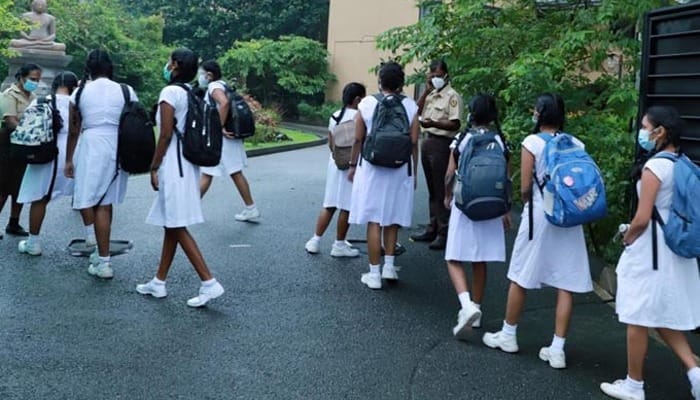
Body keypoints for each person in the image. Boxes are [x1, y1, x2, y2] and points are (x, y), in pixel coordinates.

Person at [482, 93, 592, 369]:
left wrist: (528, 201)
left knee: (521, 273)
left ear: (540, 113)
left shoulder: (532, 142)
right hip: (570, 216)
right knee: (566, 281)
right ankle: (557, 349)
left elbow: (524, 187)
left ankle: (508, 334)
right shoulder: (575, 143)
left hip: (540, 215)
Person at [600, 106, 700, 400]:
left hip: (651, 250)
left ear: (660, 132)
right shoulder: (683, 162)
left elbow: (642, 218)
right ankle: (695, 373)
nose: (642, 132)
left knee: (638, 315)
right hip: (674, 246)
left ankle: (634, 385)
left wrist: (627, 237)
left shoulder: (655, 167)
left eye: (645, 127)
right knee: (658, 313)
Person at [136, 48, 225, 308]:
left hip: (173, 166)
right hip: (187, 164)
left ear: (175, 65)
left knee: (176, 225)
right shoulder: (190, 92)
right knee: (171, 225)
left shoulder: (170, 93)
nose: (167, 65)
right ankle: (159, 281)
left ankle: (209, 282)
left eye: (169, 61)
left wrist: (154, 167)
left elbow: (165, 134)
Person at [443, 94, 511, 339]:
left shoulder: (463, 139)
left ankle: (466, 304)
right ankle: (477, 308)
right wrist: (505, 210)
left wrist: (447, 196)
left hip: (465, 204)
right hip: (492, 205)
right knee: (480, 259)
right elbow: (507, 178)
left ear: (471, 113)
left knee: (453, 257)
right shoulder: (501, 141)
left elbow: (450, 173)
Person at [348, 61, 420, 290]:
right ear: (401, 83)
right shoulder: (411, 106)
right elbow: (414, 141)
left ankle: (374, 274)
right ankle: (389, 266)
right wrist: (414, 172)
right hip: (400, 169)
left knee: (374, 219)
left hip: (372, 169)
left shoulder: (367, 104)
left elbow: (358, 138)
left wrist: (352, 165)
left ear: (380, 81)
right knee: (392, 218)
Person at [65, 49, 133, 279]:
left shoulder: (80, 92)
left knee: (87, 197)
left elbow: (74, 130)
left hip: (91, 145)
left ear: (89, 68)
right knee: (105, 203)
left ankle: (95, 244)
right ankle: (104, 260)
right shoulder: (126, 90)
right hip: (118, 145)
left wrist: (68, 159)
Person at [16, 71, 95, 255]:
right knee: (83, 196)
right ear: (74, 86)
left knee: (40, 198)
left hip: (45, 150)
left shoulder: (41, 101)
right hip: (75, 150)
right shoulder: (80, 103)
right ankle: (92, 236)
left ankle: (33, 243)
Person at [304, 82, 366, 257]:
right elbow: (360, 141)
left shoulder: (335, 116)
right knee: (346, 205)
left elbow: (331, 143)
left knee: (329, 203)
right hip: (352, 165)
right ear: (357, 99)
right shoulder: (361, 117)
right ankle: (339, 244)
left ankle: (315, 240)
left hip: (335, 163)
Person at [198, 60, 260, 222]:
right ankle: (251, 208)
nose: (199, 76)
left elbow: (224, 103)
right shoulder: (223, 84)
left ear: (209, 75)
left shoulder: (213, 86)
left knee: (208, 172)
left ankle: (189, 209)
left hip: (222, 140)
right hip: (229, 139)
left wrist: (218, 128)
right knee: (231, 172)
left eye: (201, 73)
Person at [411, 60, 463, 250]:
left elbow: (455, 123)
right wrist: (426, 91)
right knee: (432, 189)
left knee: (442, 189)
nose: (435, 79)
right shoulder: (431, 95)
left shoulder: (452, 96)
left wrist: (433, 123)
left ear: (446, 75)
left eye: (439, 76)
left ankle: (444, 231)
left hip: (442, 144)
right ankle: (432, 227)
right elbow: (415, 111)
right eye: (432, 76)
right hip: (427, 141)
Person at [0, 63, 42, 238]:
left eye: (37, 80)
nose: (35, 83)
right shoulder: (9, 95)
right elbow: (10, 121)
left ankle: (14, 222)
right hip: (8, 146)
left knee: (20, 187)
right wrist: (29, 132)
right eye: (32, 79)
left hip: (24, 147)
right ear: (21, 78)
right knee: (3, 187)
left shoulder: (33, 97)